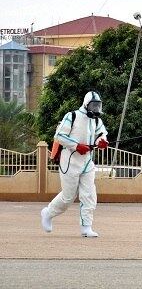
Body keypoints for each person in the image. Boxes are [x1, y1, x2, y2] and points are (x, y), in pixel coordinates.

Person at [41, 91, 109, 238]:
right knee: (68, 197)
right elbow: (59, 136)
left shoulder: (97, 121)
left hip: (87, 161)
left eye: (98, 105)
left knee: (89, 194)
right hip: (70, 161)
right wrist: (76, 146)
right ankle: (48, 213)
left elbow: (102, 134)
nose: (96, 108)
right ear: (86, 104)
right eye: (93, 105)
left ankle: (86, 227)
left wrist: (101, 142)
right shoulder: (72, 116)